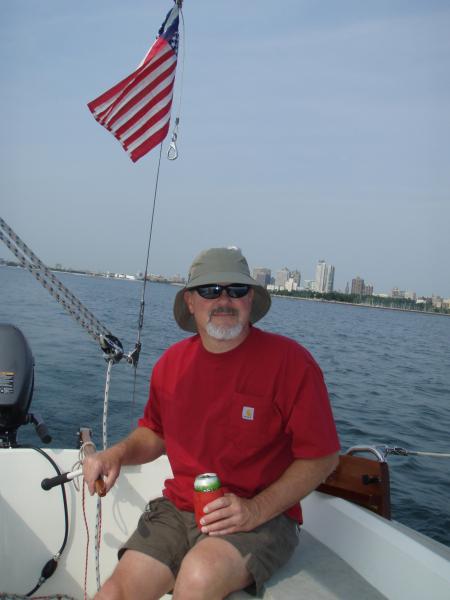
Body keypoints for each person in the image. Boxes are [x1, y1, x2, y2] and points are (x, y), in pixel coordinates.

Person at [83, 246, 340, 600]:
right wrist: (117, 454)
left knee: (198, 577)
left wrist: (254, 510)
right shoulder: (170, 365)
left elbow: (323, 458)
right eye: (209, 290)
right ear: (190, 301)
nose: (224, 300)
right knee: (114, 594)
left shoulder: (292, 364)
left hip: (263, 516)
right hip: (180, 508)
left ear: (251, 299)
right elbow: (155, 433)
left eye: (236, 290)